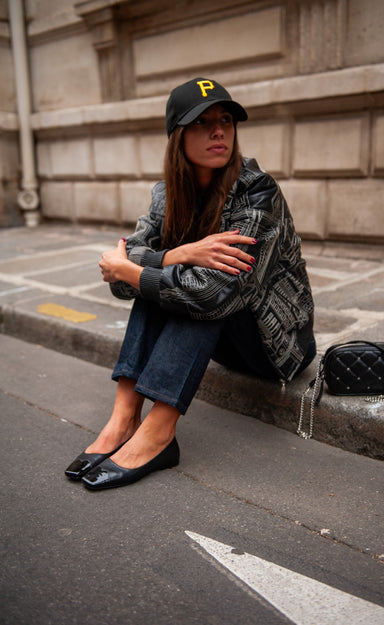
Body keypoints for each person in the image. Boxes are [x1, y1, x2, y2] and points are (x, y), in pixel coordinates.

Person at [65, 77, 315, 490]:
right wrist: (177, 254)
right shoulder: (166, 195)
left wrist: (137, 269)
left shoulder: (257, 193)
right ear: (177, 136)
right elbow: (120, 281)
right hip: (224, 341)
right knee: (162, 284)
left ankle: (159, 432)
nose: (219, 131)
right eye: (202, 122)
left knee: (199, 293)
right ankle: (123, 419)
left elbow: (211, 293)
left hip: (275, 345)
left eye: (226, 120)